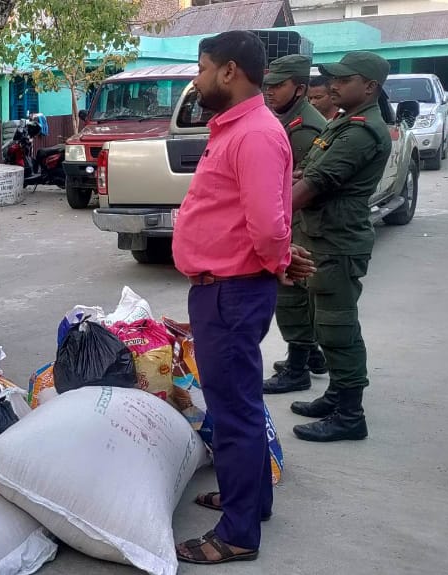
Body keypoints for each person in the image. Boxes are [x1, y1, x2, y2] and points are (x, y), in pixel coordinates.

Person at [170, 31, 310, 565]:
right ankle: (249, 499)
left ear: (229, 71)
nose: (197, 78)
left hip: (229, 292)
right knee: (236, 405)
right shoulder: (239, 128)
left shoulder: (252, 134)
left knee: (234, 412)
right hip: (226, 290)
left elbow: (270, 225)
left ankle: (238, 534)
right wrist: (276, 258)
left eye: (202, 67)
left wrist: (277, 260)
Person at [287, 52, 392, 443]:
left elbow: (318, 182)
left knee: (338, 328)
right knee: (322, 322)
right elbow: (308, 170)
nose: (332, 85)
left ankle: (351, 415)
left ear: (370, 87)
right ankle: (335, 395)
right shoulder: (342, 123)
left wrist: (271, 215)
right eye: (332, 78)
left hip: (338, 242)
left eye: (343, 79)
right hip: (323, 238)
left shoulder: (361, 131)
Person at [261, 54, 331, 395]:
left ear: (300, 88)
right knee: (298, 295)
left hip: (301, 222)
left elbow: (304, 184)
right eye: (268, 85)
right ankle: (308, 356)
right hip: (296, 220)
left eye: (278, 86)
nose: (270, 92)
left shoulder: (304, 128)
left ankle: (298, 368)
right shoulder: (289, 118)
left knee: (291, 296)